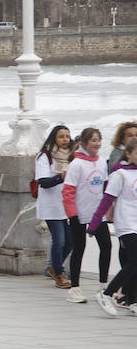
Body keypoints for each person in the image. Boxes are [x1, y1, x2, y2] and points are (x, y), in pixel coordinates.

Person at [90, 139, 137, 316]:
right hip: (126, 225)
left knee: (135, 263)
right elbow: (106, 200)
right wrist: (95, 223)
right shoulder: (120, 175)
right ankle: (107, 293)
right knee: (135, 261)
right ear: (128, 154)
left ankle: (132, 300)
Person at [64, 127, 111, 301]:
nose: (96, 143)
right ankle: (74, 288)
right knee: (79, 248)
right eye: (93, 140)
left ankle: (102, 287)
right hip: (79, 213)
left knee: (106, 246)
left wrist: (107, 210)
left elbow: (106, 187)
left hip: (97, 213)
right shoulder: (76, 164)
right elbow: (68, 192)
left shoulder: (101, 162)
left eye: (98, 140)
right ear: (84, 142)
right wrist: (72, 214)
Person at [35, 125, 73, 288]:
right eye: (61, 136)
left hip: (65, 204)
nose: (65, 139)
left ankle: (54, 267)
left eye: (67, 136)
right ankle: (59, 272)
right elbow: (43, 182)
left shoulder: (70, 157)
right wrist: (61, 177)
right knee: (59, 240)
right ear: (53, 138)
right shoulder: (44, 156)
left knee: (70, 241)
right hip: (50, 205)